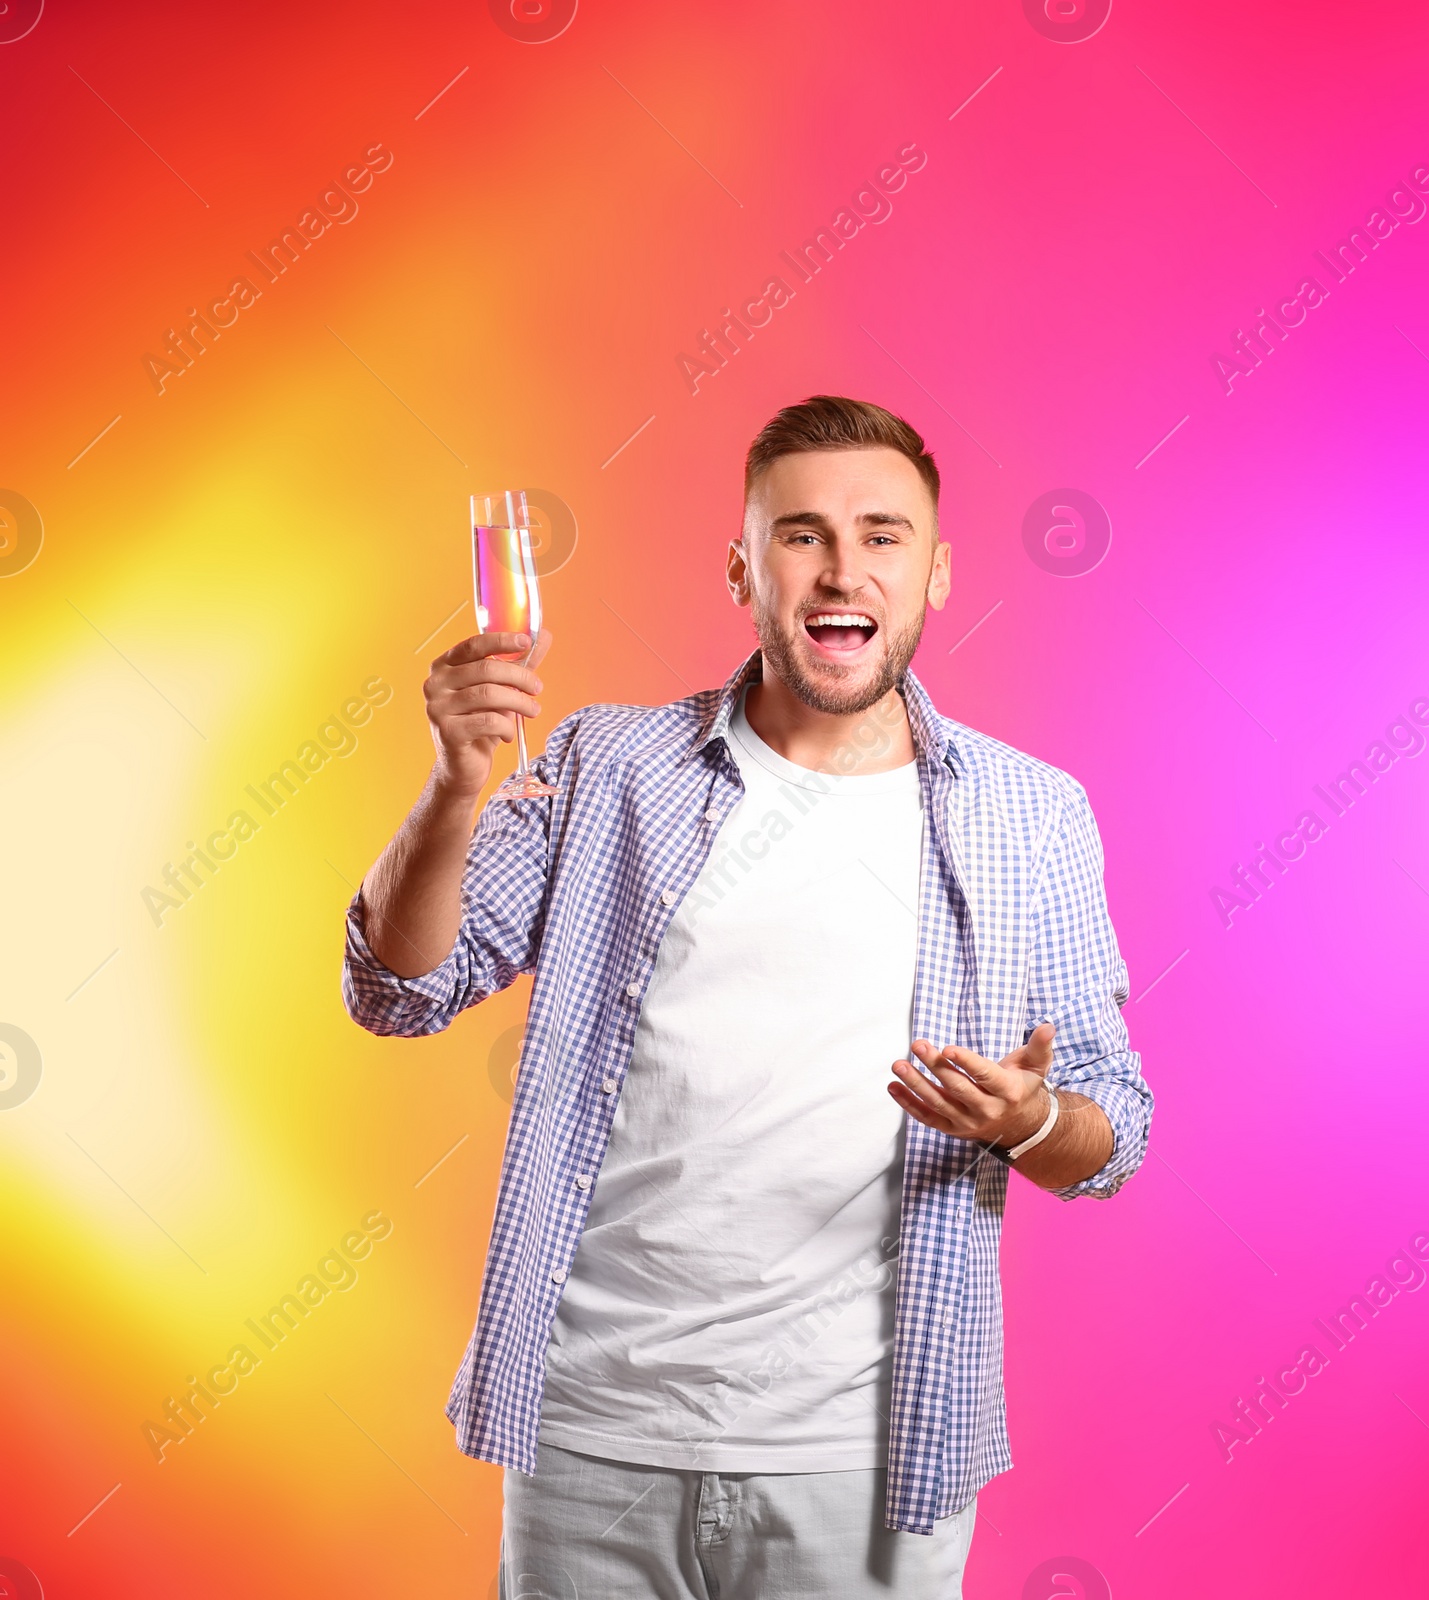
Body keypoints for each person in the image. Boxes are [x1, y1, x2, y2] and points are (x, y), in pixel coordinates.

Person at [343, 395, 1152, 1599]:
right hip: (594, 1439)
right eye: (800, 533)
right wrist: (457, 787)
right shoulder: (607, 766)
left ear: (934, 573)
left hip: (867, 1457)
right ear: (742, 567)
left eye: (883, 535)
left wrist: (1025, 1121)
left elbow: (1112, 1132)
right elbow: (398, 990)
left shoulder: (1030, 815)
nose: (843, 567)